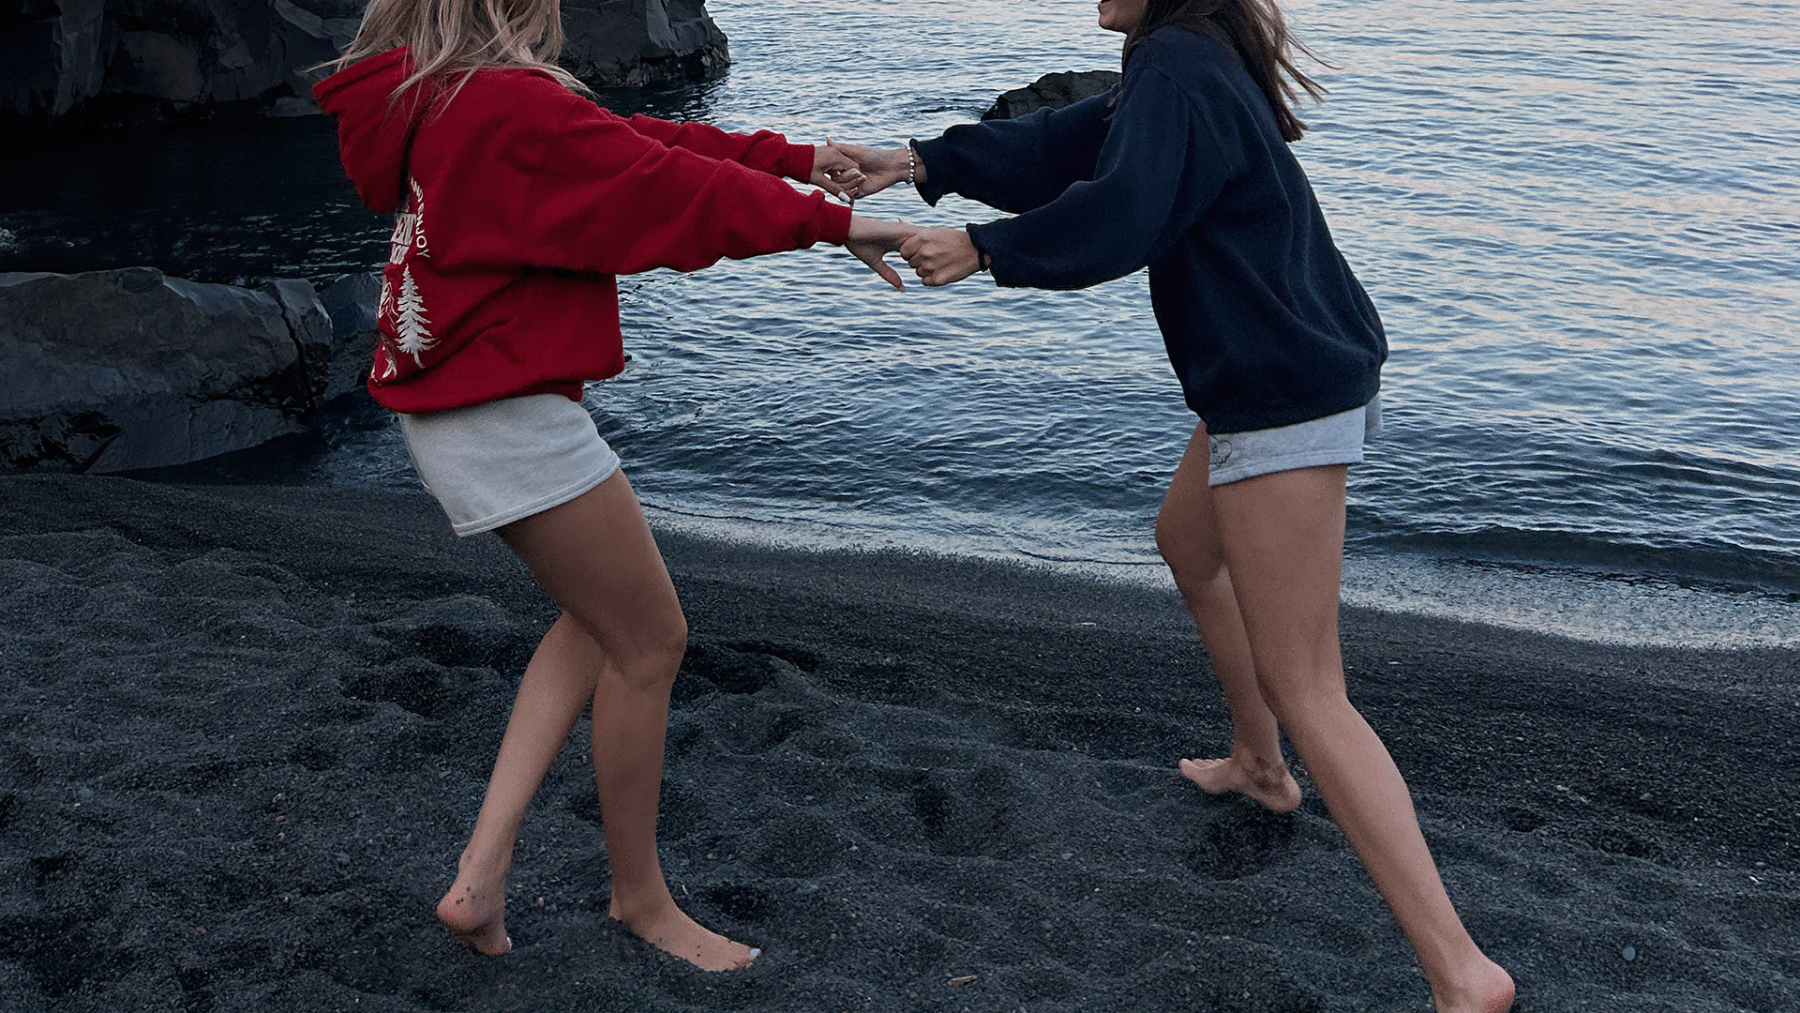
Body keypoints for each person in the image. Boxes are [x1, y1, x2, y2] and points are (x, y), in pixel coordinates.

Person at [833, 1, 1515, 1009]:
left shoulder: (1183, 62)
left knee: (1312, 685)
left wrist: (989, 251)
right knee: (1186, 543)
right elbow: (1074, 138)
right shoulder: (1176, 56)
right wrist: (917, 160)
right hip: (1279, 360)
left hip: (1281, 385)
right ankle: (1257, 762)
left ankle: (1464, 972)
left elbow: (1127, 210)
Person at [312, 0, 913, 972]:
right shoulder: (509, 107)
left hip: (459, 398)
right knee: (651, 638)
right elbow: (667, 195)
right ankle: (640, 899)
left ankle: (480, 876)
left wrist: (798, 161)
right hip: (501, 409)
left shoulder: (444, 98)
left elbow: (645, 145)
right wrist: (832, 223)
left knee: (598, 621)